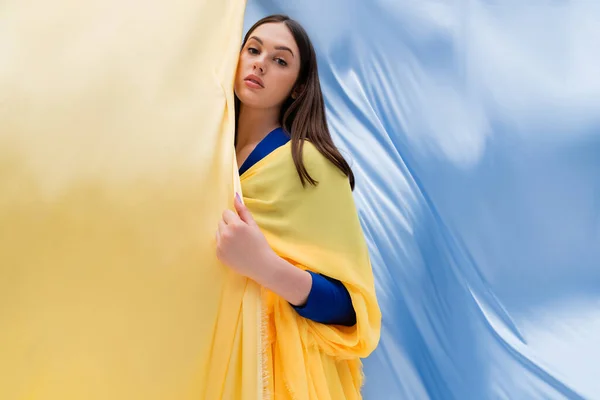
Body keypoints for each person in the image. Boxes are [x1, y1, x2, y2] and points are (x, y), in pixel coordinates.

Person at [215, 14, 381, 399]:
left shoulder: (311, 166)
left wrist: (264, 266)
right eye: (253, 50)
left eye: (280, 60)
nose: (260, 63)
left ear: (298, 86)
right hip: (207, 349)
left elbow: (350, 308)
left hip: (280, 375)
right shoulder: (206, 151)